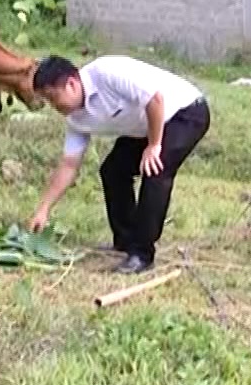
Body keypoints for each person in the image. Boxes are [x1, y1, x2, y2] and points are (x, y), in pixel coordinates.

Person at [25, 54, 212, 274]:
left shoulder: (108, 72)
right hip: (146, 125)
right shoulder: (75, 118)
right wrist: (43, 210)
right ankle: (125, 241)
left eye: (53, 97)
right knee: (113, 170)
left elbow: (155, 99)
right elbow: (69, 165)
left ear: (72, 83)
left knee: (155, 170)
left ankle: (142, 254)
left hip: (184, 112)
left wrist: (153, 146)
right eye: (47, 101)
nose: (53, 105)